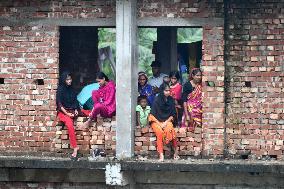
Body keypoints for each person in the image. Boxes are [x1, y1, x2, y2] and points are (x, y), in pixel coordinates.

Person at [149, 83, 180, 162]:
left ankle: (175, 152)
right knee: (159, 133)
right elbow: (152, 114)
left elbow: (173, 114)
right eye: (166, 91)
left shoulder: (171, 100)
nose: (168, 92)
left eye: (169, 90)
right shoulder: (157, 99)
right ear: (162, 91)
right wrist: (160, 124)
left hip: (167, 120)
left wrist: (165, 122)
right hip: (156, 120)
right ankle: (161, 155)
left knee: (170, 129)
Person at [56, 71, 80, 161]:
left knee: (86, 112)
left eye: (70, 79)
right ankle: (75, 148)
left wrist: (76, 109)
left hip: (71, 110)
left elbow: (75, 101)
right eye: (67, 79)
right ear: (63, 80)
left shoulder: (72, 89)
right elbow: (59, 104)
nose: (69, 81)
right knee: (70, 124)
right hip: (63, 113)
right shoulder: (60, 89)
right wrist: (67, 113)